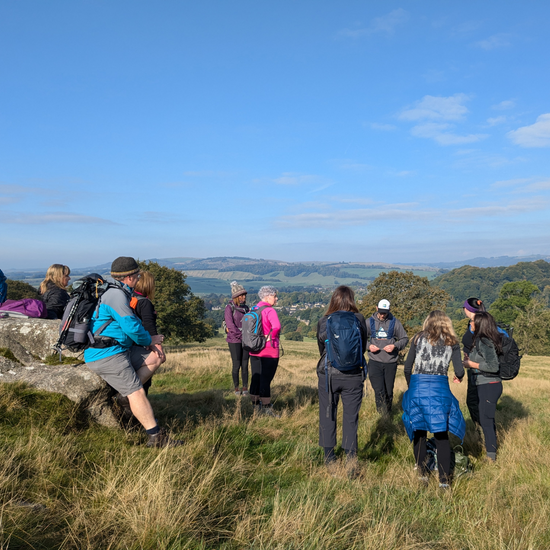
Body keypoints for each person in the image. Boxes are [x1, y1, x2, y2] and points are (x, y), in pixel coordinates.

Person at [84, 256, 181, 448]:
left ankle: (123, 394)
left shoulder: (112, 290)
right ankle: (155, 437)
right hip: (107, 353)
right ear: (128, 277)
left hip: (119, 348)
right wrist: (150, 340)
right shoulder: (116, 295)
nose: (138, 279)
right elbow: (132, 327)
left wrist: (149, 344)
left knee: (156, 357)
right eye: (136, 275)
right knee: (137, 392)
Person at [402, 311, 465, 489]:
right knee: (441, 434)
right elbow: (459, 371)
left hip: (417, 387)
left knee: (419, 431)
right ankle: (444, 482)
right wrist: (458, 377)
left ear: (427, 322)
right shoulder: (452, 342)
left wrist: (411, 386)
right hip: (440, 388)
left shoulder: (417, 338)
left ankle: (422, 476)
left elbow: (407, 367)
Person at [316, 285, 367, 474]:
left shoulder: (324, 320)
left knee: (328, 414)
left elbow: (321, 349)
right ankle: (351, 460)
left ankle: (329, 459)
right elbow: (362, 346)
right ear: (351, 300)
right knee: (350, 417)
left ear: (334, 300)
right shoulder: (360, 319)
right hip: (353, 375)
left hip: (329, 375)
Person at [462, 311, 503, 462]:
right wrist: (469, 360)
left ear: (480, 324)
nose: (470, 324)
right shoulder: (482, 340)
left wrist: (471, 364)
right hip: (485, 384)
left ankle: (491, 456)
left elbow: (493, 366)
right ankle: (490, 451)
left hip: (489, 385)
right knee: (487, 419)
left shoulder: (484, 341)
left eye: (473, 322)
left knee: (486, 420)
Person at [366, 299, 409, 414]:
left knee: (388, 391)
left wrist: (395, 346)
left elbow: (404, 339)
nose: (382, 315)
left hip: (390, 363)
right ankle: (381, 415)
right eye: (380, 312)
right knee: (379, 390)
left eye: (384, 312)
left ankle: (388, 414)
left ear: (389, 311)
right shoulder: (369, 322)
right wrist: (369, 346)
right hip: (374, 362)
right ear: (376, 309)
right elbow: (359, 339)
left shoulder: (395, 323)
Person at [131, 271, 166, 396]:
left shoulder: (131, 298)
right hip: (143, 345)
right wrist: (158, 347)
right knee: (145, 381)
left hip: (131, 344)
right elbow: (149, 325)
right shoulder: (145, 303)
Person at [249, 285, 281, 415]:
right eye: (274, 296)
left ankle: (255, 405)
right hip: (268, 350)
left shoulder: (254, 309)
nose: (276, 298)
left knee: (255, 378)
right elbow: (277, 327)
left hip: (253, 349)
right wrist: (269, 338)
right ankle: (267, 409)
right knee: (266, 379)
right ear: (268, 297)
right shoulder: (270, 311)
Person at [225, 281, 250, 396]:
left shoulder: (246, 308)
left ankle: (245, 388)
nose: (244, 297)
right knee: (236, 364)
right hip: (234, 340)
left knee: (245, 364)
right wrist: (242, 336)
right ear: (236, 297)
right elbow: (230, 325)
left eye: (244, 295)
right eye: (241, 295)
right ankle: (236, 388)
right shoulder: (229, 308)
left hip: (246, 340)